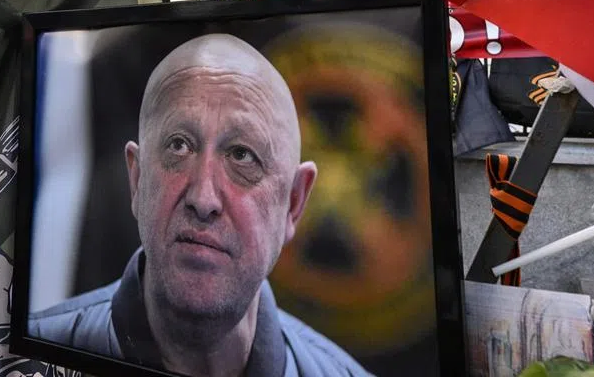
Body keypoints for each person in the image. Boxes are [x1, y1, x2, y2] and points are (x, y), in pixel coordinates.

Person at [29, 34, 371, 377]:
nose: (203, 199)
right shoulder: (21, 362)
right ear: (136, 178)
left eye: (242, 155)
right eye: (179, 146)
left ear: (294, 203)